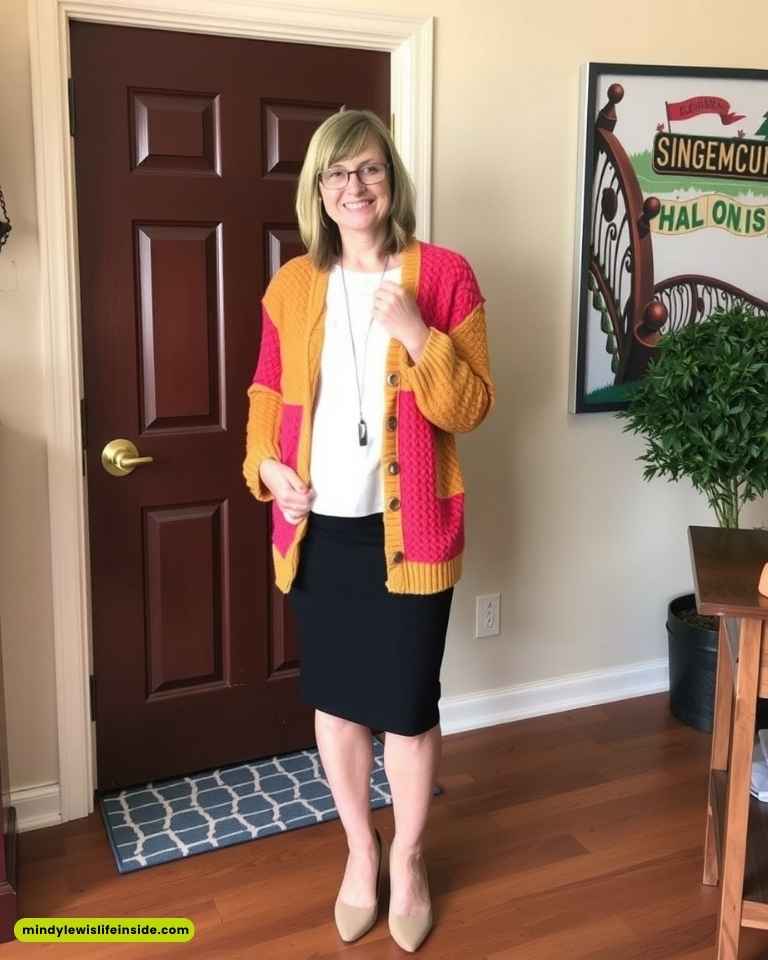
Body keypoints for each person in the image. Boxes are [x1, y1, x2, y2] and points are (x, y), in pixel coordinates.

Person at [242, 108, 495, 952]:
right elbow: (267, 397)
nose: (355, 187)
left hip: (411, 531)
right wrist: (266, 470)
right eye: (337, 174)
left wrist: (416, 332)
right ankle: (361, 852)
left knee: (408, 710)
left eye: (370, 170)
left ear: (393, 179)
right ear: (318, 189)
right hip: (320, 534)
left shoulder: (447, 275)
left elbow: (472, 406)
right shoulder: (291, 284)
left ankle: (412, 859)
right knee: (339, 709)